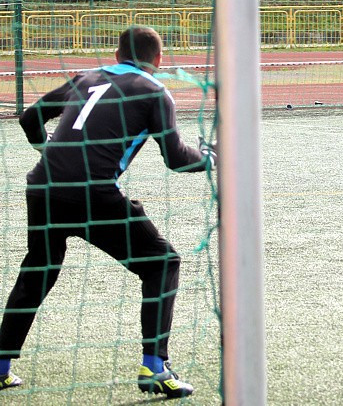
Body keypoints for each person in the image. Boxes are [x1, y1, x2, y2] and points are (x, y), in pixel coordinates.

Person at [0, 26, 216, 397]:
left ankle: (0, 366)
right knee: (162, 262)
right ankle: (155, 368)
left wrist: (48, 151)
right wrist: (211, 159)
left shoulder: (85, 77)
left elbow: (29, 119)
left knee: (38, 271)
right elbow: (177, 159)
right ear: (158, 61)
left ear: (116, 56)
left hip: (43, 187)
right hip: (93, 195)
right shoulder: (154, 91)